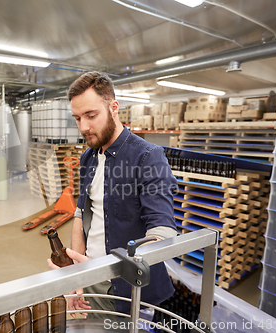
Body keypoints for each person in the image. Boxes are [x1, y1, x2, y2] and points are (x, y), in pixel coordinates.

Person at [48, 72, 178, 318]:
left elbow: (163, 233)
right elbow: (81, 214)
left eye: (91, 115)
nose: (83, 127)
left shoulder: (148, 157)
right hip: (91, 276)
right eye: (77, 118)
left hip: (128, 287)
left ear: (114, 107)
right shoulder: (89, 157)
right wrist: (78, 273)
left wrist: (107, 267)